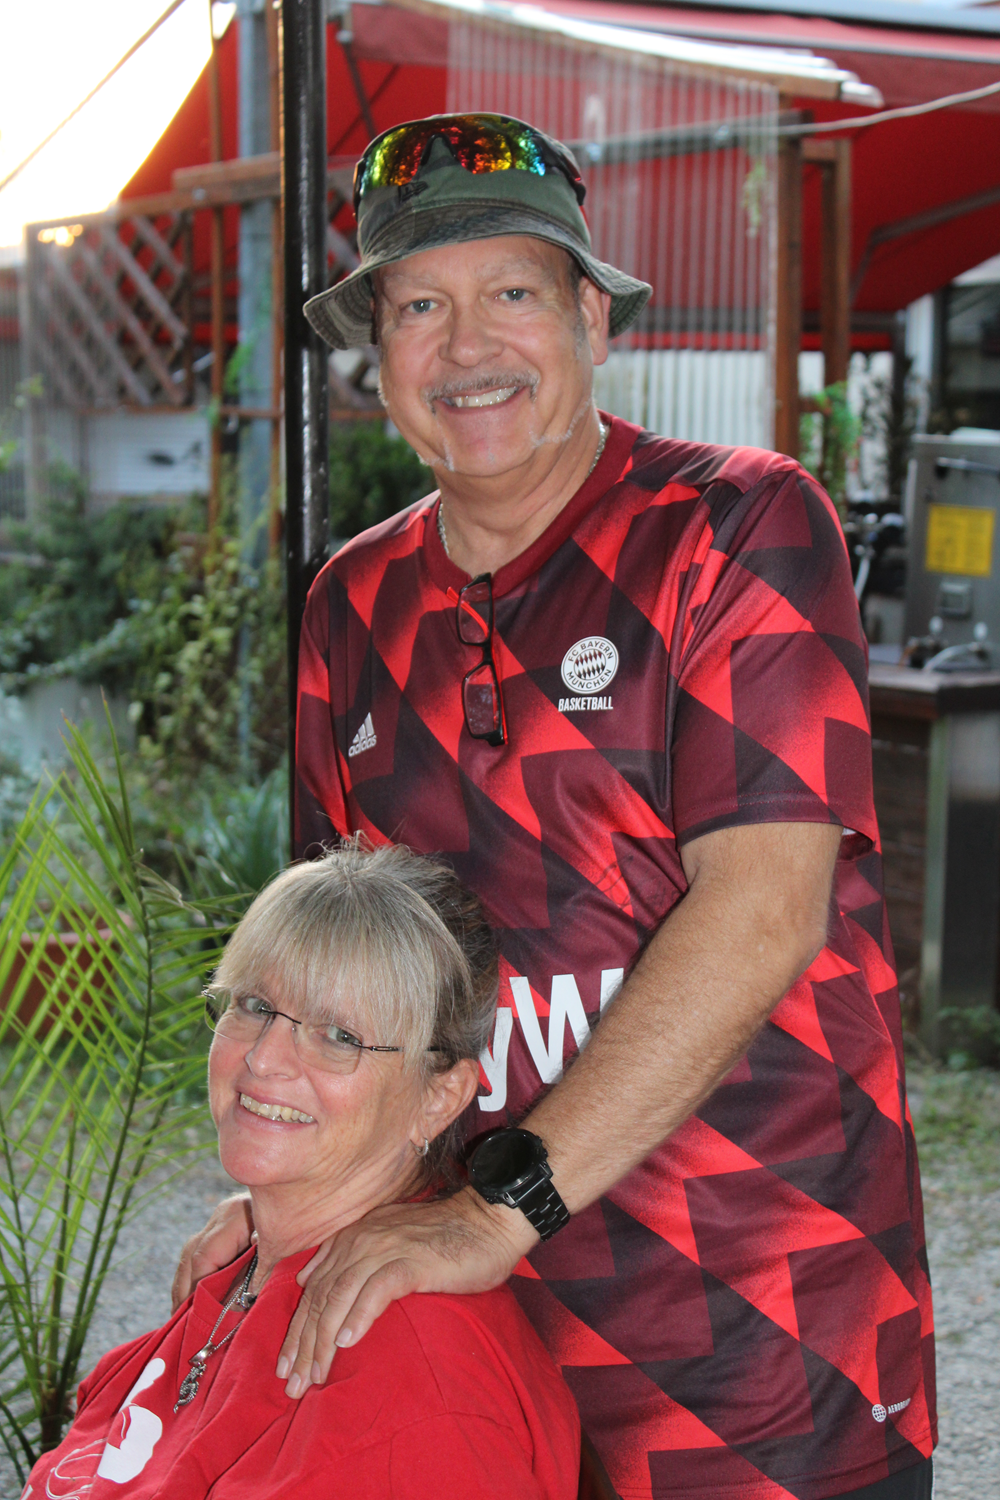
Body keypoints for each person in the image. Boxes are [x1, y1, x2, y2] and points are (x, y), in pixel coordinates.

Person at [176, 114, 935, 1500]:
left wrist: (496, 1209)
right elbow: (350, 985)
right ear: (378, 354)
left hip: (761, 1335)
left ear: (591, 316)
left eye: (512, 292)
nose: (466, 347)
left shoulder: (735, 526)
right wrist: (291, 1189)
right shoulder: (352, 603)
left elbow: (765, 910)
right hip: (478, 1352)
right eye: (419, 307)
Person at [25, 842, 581, 1500]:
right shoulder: (247, 1267)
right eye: (255, 1005)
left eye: (339, 1035)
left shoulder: (415, 1391)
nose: (263, 1059)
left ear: (439, 1097)